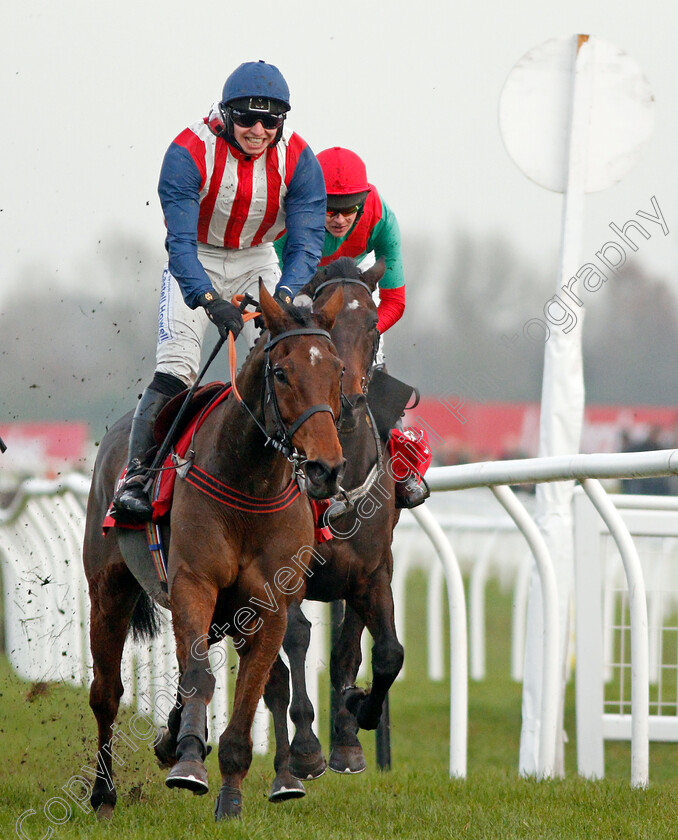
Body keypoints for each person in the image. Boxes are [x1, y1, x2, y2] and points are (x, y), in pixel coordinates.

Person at [111, 60, 326, 523]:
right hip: (198, 258)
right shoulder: (188, 151)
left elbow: (307, 241)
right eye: (248, 117)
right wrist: (208, 300)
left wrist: (285, 294)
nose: (258, 129)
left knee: (284, 362)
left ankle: (314, 480)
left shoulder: (300, 158)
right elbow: (181, 244)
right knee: (178, 370)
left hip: (258, 259)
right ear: (226, 114)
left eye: (271, 120)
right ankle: (139, 475)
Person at [274, 146, 425, 508]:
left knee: (367, 360)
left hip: (348, 277)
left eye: (348, 211)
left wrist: (362, 335)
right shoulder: (287, 223)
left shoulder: (382, 220)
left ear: (364, 202)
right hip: (297, 281)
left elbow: (395, 301)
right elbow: (288, 293)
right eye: (329, 210)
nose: (339, 220)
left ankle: (400, 457)